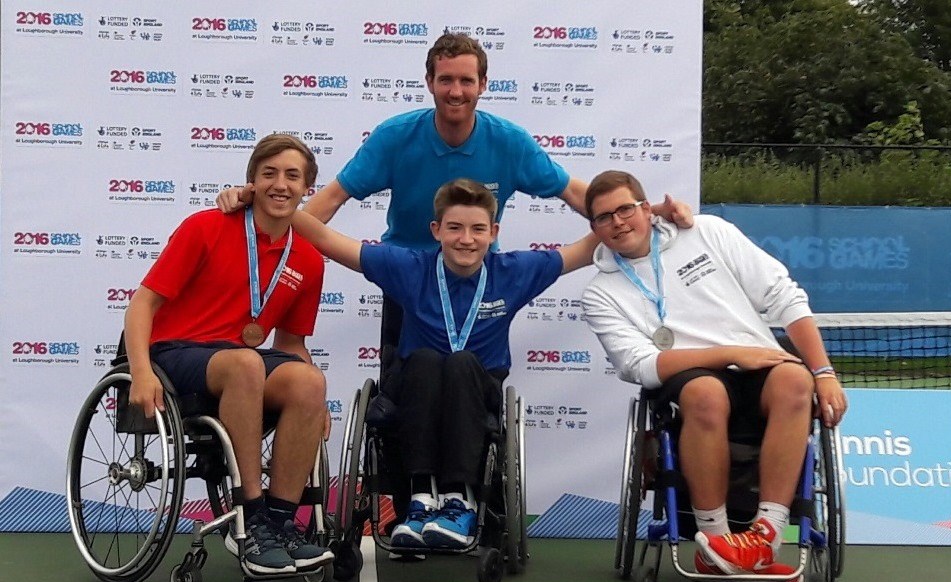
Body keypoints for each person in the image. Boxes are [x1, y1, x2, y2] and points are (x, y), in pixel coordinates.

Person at [216, 32, 692, 348]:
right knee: (401, 395)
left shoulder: (509, 141)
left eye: (467, 80)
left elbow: (574, 193)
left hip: (476, 278)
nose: (456, 90)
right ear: (430, 83)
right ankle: (409, 495)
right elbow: (332, 197)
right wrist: (269, 220)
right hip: (406, 278)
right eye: (446, 80)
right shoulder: (396, 136)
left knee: (474, 384)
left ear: (483, 84)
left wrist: (632, 214)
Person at [579, 170, 848, 582]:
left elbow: (784, 296)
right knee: (707, 393)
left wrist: (824, 373)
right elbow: (641, 364)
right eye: (603, 217)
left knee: (796, 380)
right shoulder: (600, 292)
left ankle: (762, 538)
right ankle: (715, 542)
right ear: (594, 228)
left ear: (647, 209)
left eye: (626, 209)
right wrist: (728, 354)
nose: (618, 221)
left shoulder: (708, 231)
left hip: (759, 367)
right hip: (690, 378)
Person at [290, 177, 598, 548]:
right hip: (416, 386)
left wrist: (645, 215)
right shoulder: (408, 266)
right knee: (423, 360)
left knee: (460, 362)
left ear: (493, 232)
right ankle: (419, 500)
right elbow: (322, 238)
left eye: (477, 229)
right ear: (436, 230)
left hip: (477, 386)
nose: (466, 239)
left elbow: (587, 247)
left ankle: (458, 500)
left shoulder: (514, 271)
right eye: (454, 228)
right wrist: (262, 201)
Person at [124, 134, 334, 576]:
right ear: (251, 182)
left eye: (292, 176)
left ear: (306, 188)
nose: (281, 184)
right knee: (246, 362)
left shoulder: (309, 260)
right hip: (177, 353)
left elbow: (291, 345)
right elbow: (142, 304)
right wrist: (141, 372)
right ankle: (250, 516)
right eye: (269, 174)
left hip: (240, 360)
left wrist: (315, 406)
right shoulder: (205, 226)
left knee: (308, 381)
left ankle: (278, 524)